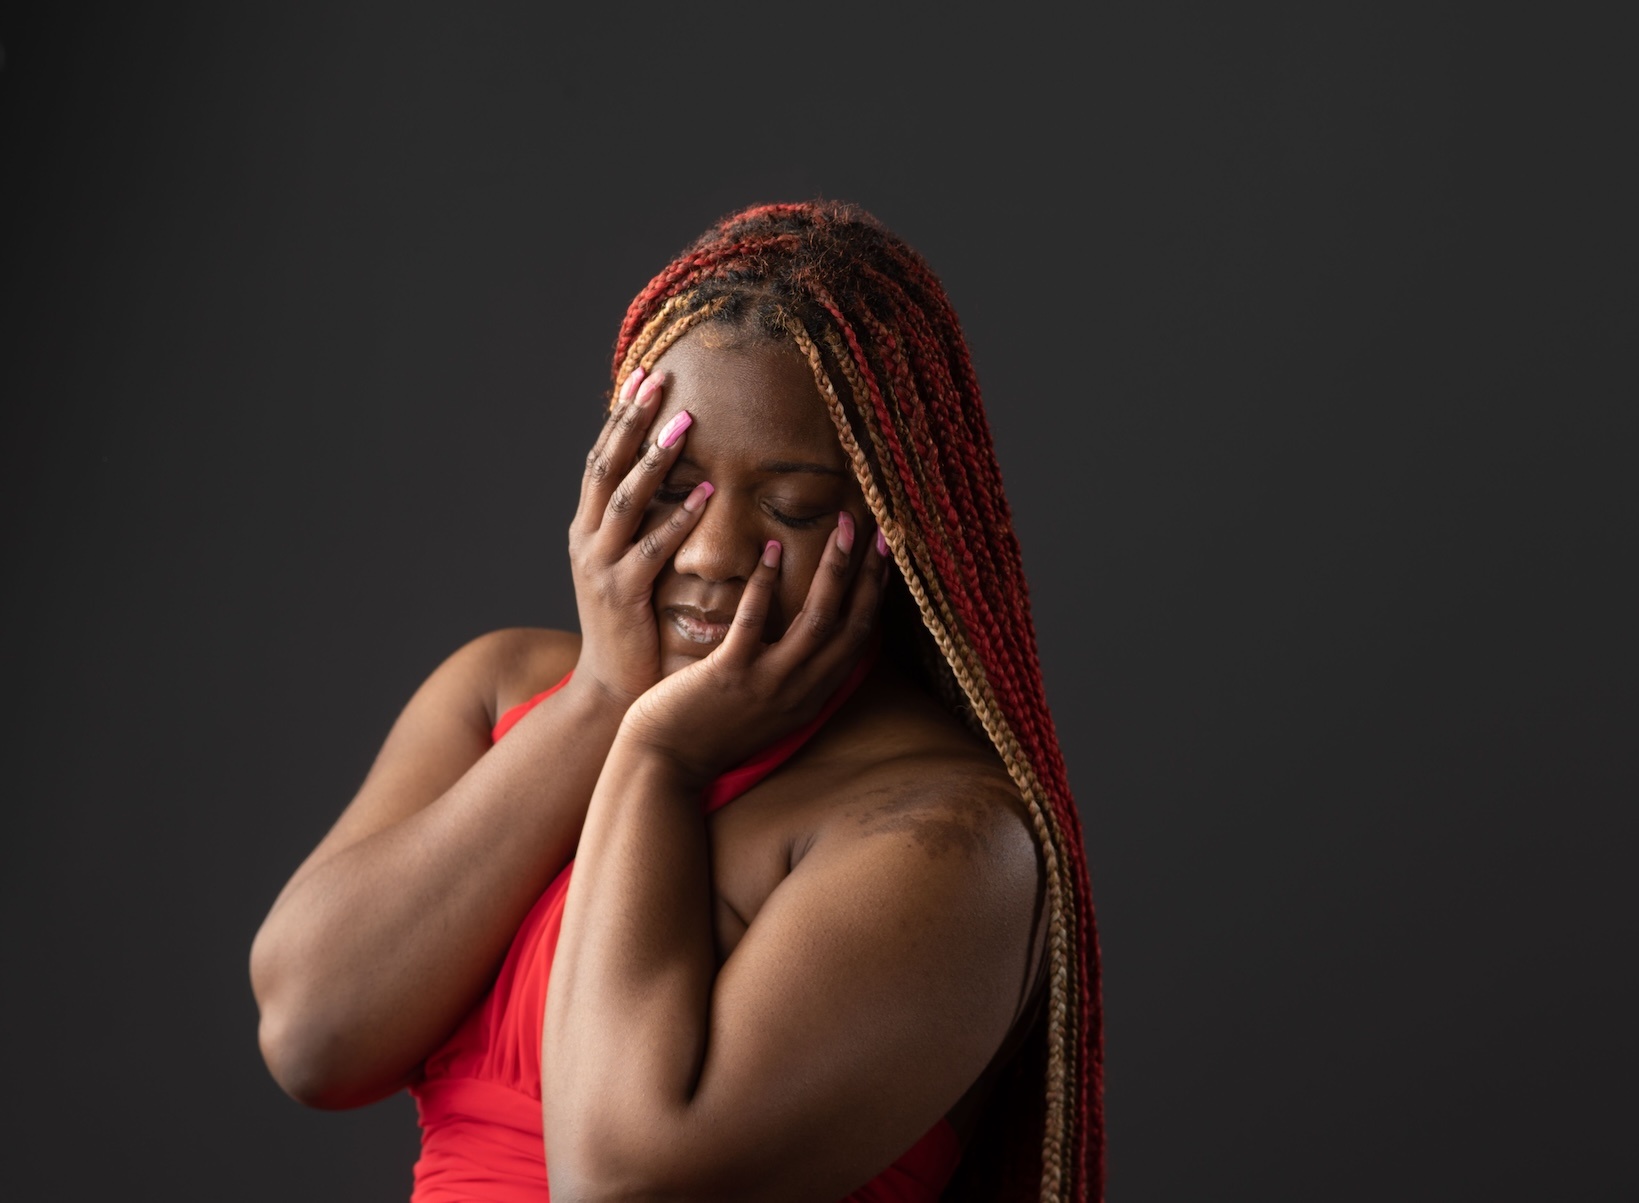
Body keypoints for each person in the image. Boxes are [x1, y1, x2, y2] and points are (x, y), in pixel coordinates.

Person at [249, 201, 1103, 1202]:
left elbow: (621, 1181)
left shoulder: (949, 839)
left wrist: (658, 757)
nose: (710, 555)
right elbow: (313, 1033)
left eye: (791, 506)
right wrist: (601, 703)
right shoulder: (503, 693)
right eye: (672, 487)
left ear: (900, 521)